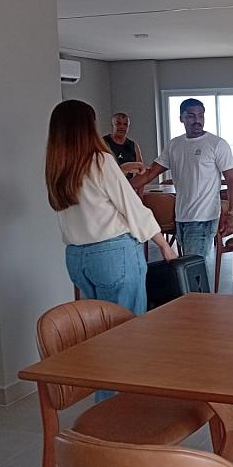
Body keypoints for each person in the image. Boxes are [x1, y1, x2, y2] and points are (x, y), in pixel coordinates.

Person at [45, 100, 178, 315]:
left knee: (100, 325)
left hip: (77, 257)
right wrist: (164, 245)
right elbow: (132, 207)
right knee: (129, 326)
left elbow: (92, 193)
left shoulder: (57, 167)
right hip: (113, 254)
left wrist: (119, 169)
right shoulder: (101, 161)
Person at [131, 98, 233, 274]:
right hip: (181, 217)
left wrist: (232, 214)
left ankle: (199, 293)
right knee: (189, 270)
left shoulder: (217, 144)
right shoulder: (175, 145)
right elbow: (150, 174)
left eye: (200, 115)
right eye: (191, 116)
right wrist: (119, 186)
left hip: (203, 218)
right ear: (181, 118)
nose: (197, 120)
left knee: (193, 271)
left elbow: (232, 180)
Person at [103, 112, 146, 177]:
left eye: (125, 124)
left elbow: (140, 170)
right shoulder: (103, 142)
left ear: (128, 127)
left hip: (129, 182)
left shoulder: (134, 145)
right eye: (118, 123)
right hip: (109, 181)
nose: (121, 127)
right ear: (112, 125)